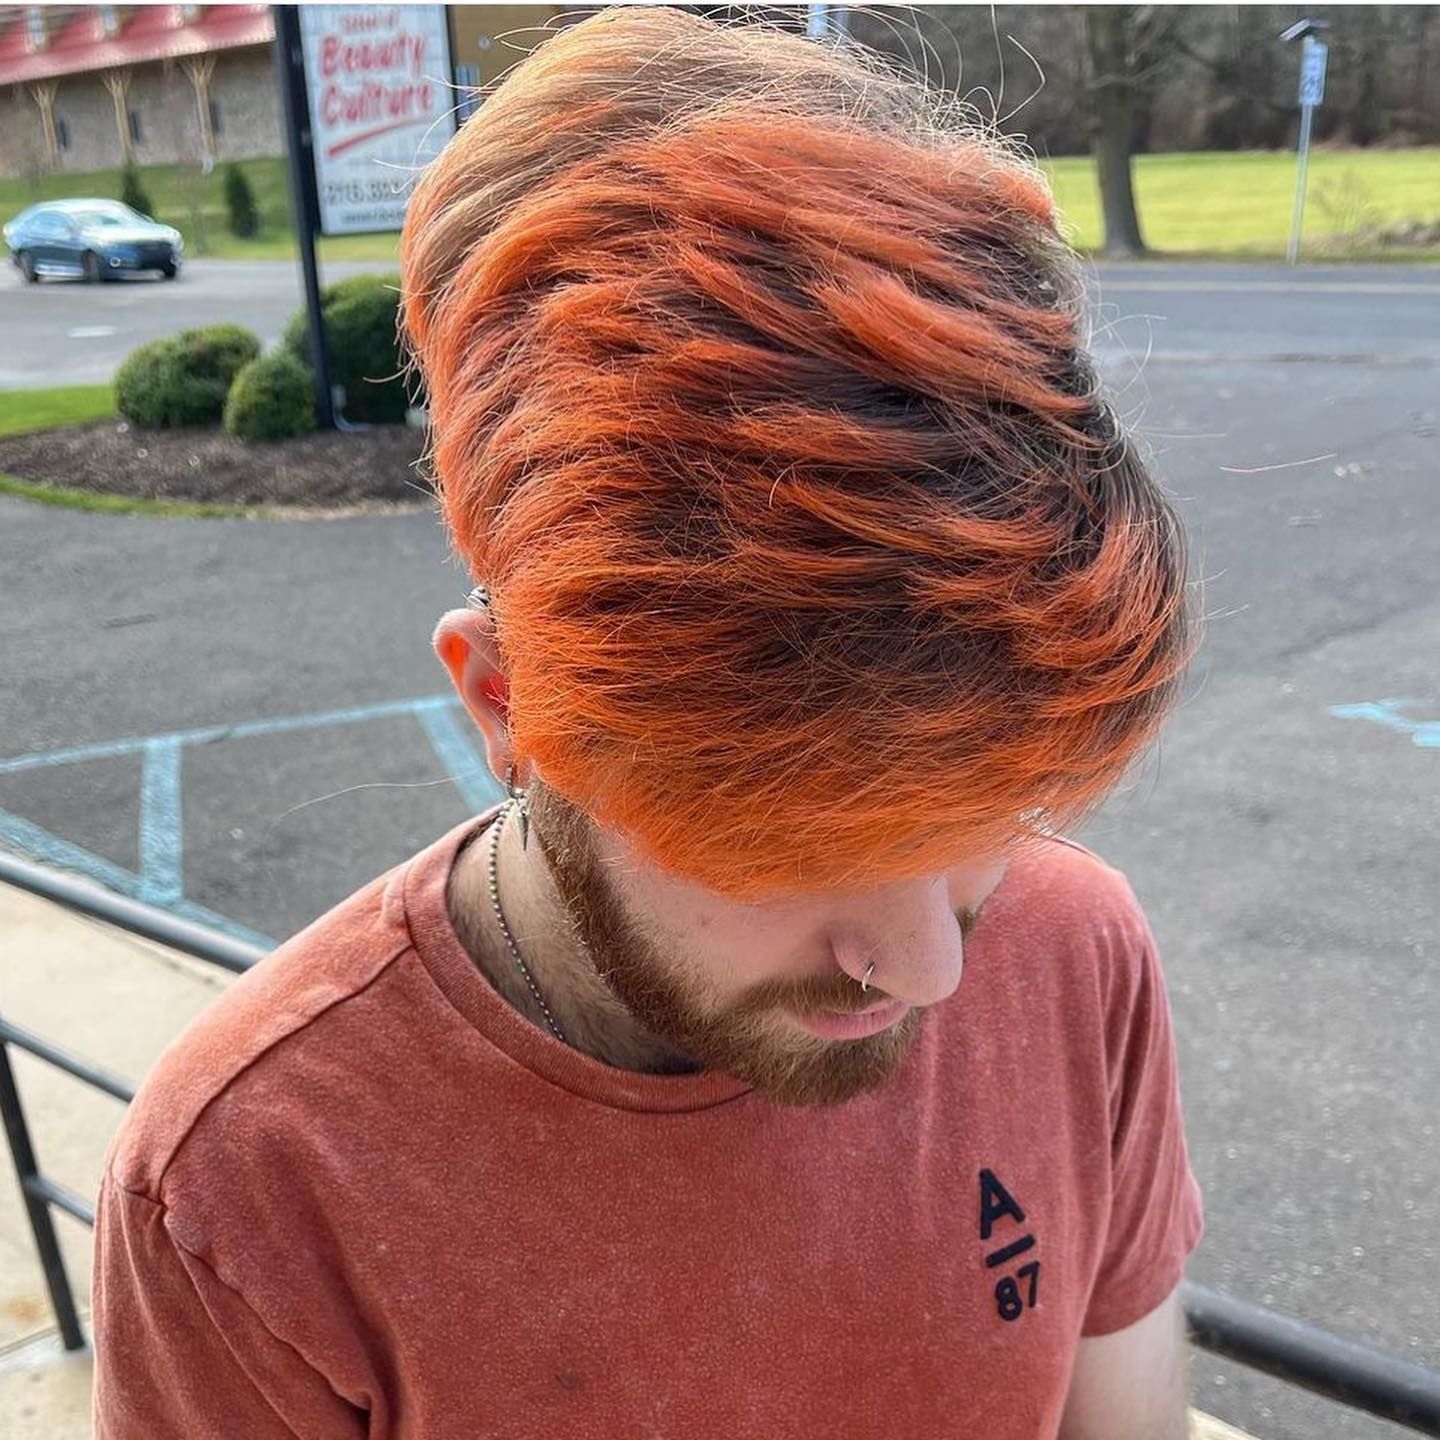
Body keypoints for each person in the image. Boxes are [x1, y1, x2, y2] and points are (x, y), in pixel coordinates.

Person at [91, 8, 1204, 1437]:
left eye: (984, 823)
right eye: (799, 855)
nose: (932, 970)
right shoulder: (251, 1191)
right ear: (506, 706)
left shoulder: (1076, 953)